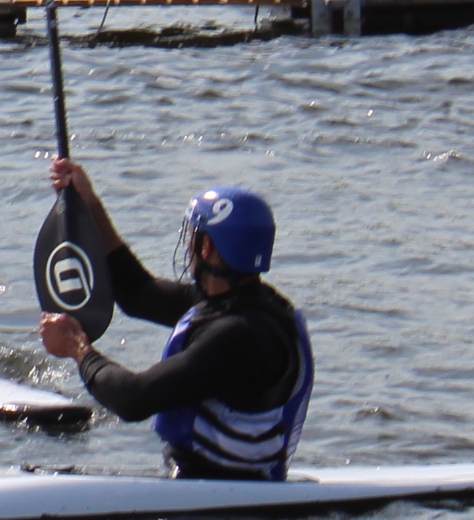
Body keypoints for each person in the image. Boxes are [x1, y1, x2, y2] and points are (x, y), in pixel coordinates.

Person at [36, 160, 313, 480]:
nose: (188, 244)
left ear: (206, 247)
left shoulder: (239, 336)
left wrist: (77, 348)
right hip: (214, 482)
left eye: (193, 234)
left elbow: (133, 399)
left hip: (221, 493)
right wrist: (90, 204)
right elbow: (139, 294)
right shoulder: (246, 305)